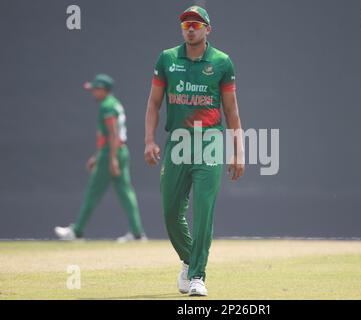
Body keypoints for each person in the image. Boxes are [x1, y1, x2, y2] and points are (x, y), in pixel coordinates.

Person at [144, 6, 244, 296]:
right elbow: (153, 104)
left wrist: (238, 152)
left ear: (207, 29)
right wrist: (149, 140)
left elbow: (231, 111)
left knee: (203, 210)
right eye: (187, 23)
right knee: (171, 210)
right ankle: (189, 260)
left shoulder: (222, 63)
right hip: (177, 142)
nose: (191, 28)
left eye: (197, 24)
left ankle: (198, 276)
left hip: (209, 142)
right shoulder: (167, 59)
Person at [55, 74, 146, 243]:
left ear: (104, 90)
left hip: (111, 153)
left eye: (95, 89)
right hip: (119, 150)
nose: (93, 93)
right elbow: (114, 135)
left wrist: (110, 159)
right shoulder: (114, 104)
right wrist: (98, 156)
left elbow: (112, 134)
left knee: (93, 192)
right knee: (126, 193)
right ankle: (137, 233)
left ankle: (77, 231)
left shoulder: (107, 106)